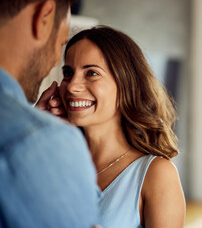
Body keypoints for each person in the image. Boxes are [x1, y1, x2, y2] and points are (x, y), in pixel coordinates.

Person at [38, 26, 186, 227]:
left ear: (126, 84)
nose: (72, 86)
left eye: (91, 73)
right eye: (68, 72)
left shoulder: (156, 174)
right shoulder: (53, 162)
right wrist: (35, 127)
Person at [0, 0, 99, 227]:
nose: (73, 86)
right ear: (44, 18)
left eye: (92, 73)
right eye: (61, 43)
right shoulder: (42, 141)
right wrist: (40, 134)